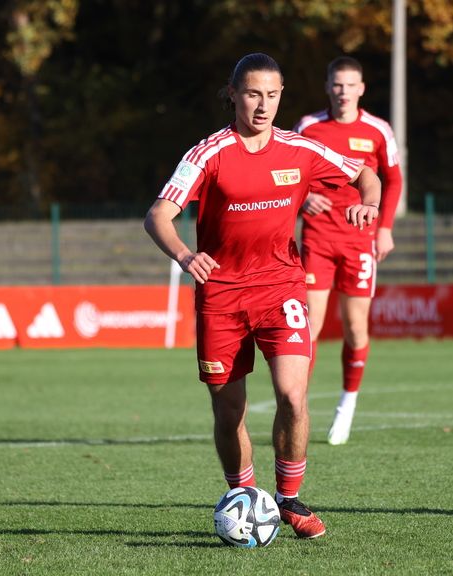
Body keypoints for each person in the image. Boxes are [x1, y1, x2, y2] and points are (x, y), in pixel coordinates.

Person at [144, 53, 381, 539]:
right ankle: (244, 496)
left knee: (293, 397)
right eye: (253, 94)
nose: (263, 105)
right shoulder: (207, 154)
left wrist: (369, 205)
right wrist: (188, 258)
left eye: (272, 96)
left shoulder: (301, 149)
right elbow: (157, 216)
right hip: (222, 297)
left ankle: (289, 500)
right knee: (228, 411)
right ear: (233, 94)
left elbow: (366, 175)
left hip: (282, 287)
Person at [293, 56, 403, 446]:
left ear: (361, 89)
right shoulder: (308, 127)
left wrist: (384, 228)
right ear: (328, 87)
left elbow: (392, 179)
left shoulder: (377, 130)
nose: (343, 92)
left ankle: (347, 405)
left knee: (356, 328)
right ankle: (297, 408)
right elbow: (289, 174)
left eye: (350, 85)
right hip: (317, 241)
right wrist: (303, 199)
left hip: (359, 241)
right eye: (336, 84)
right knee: (308, 329)